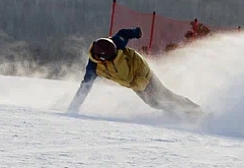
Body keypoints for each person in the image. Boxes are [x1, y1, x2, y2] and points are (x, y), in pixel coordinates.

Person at [68, 26, 202, 116]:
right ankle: (179, 114)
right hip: (133, 82)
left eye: (114, 55)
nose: (113, 58)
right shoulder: (93, 68)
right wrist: (74, 107)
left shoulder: (116, 42)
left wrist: (136, 32)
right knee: (155, 103)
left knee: (164, 96)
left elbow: (124, 33)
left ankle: (195, 111)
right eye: (109, 59)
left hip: (142, 72)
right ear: (99, 58)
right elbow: (84, 87)